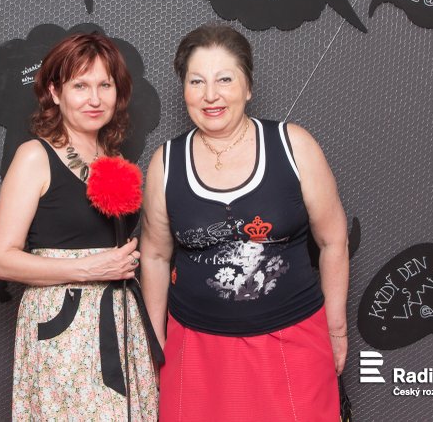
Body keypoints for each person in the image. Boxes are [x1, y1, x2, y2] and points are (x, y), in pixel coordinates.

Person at [140, 25, 348, 421]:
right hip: (196, 350)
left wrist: (335, 330)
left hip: (292, 342)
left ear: (248, 87)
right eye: (196, 81)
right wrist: (155, 341)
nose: (210, 95)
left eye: (224, 79)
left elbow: (333, 240)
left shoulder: (294, 145)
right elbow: (154, 256)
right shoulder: (165, 163)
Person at [0, 33, 159, 421]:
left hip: (120, 321)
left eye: (105, 85)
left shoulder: (113, 160)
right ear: (55, 91)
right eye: (80, 86)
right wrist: (87, 269)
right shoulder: (35, 156)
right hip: (65, 328)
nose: (94, 99)